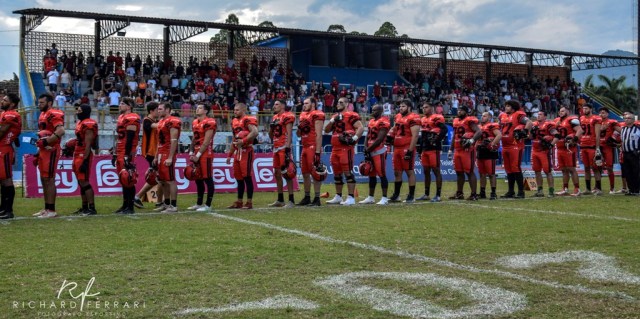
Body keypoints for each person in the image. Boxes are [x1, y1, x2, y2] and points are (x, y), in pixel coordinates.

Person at [324, 97, 364, 206]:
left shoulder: (351, 115)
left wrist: (354, 139)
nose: (338, 104)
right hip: (335, 148)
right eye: (338, 102)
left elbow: (360, 128)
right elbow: (326, 130)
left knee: (348, 173)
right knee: (337, 174)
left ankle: (351, 197)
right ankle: (338, 196)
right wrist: (333, 120)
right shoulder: (335, 116)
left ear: (347, 104)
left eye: (341, 102)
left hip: (346, 149)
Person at [33, 94, 65, 218]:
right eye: (39, 102)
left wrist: (47, 142)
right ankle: (47, 208)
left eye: (42, 102)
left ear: (50, 103)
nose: (39, 105)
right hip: (43, 150)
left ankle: (51, 210)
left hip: (51, 149)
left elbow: (61, 131)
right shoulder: (42, 114)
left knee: (49, 179)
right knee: (44, 179)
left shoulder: (54, 113)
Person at [227, 103, 259, 209]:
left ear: (243, 110)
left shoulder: (247, 119)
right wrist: (229, 154)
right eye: (234, 110)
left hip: (247, 150)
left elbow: (255, 132)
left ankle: (249, 202)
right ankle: (239, 201)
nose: (235, 112)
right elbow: (234, 139)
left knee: (247, 177)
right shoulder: (234, 121)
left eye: (237, 110)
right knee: (238, 177)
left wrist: (244, 140)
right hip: (238, 152)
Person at [388, 99, 421, 203]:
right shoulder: (398, 116)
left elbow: (415, 135)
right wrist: (390, 133)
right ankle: (396, 195)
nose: (401, 108)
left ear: (409, 107)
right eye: (400, 106)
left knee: (409, 171)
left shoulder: (414, 117)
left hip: (406, 147)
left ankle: (411, 195)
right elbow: (395, 127)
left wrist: (410, 151)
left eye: (403, 106)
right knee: (397, 172)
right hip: (397, 148)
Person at [187, 103, 217, 212]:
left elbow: (206, 141)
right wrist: (191, 151)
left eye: (200, 108)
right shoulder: (195, 122)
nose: (197, 109)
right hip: (197, 151)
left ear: (205, 111)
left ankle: (208, 205)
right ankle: (199, 203)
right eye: (197, 107)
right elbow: (194, 138)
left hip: (206, 153)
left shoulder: (210, 121)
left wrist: (198, 155)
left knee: (207, 178)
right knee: (198, 178)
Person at [499, 100, 532, 198]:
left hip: (515, 145)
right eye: (506, 106)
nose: (506, 108)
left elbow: (529, 122)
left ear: (513, 107)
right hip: (505, 145)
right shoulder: (502, 116)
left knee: (515, 167)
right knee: (508, 169)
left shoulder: (518, 115)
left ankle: (521, 192)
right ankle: (511, 191)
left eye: (508, 106)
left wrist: (525, 131)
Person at [113, 98, 141, 214]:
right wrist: (115, 153)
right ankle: (125, 205)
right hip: (120, 150)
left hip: (127, 151)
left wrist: (126, 155)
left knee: (128, 178)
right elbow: (119, 137)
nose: (120, 105)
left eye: (123, 103)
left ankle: (130, 206)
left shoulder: (133, 117)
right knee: (123, 178)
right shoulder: (121, 117)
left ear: (129, 106)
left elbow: (129, 138)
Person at [447, 105, 481, 200]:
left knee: (469, 172)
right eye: (458, 110)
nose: (459, 111)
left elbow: (479, 132)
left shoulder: (469, 120)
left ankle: (473, 194)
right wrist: (450, 149)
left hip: (467, 150)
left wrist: (471, 141)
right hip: (458, 150)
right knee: (459, 172)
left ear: (466, 112)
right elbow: (454, 136)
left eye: (461, 110)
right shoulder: (456, 121)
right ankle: (459, 193)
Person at [359, 104, 391, 205]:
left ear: (381, 111)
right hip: (370, 150)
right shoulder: (371, 121)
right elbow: (367, 136)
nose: (373, 111)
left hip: (379, 151)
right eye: (372, 109)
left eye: (375, 110)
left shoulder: (384, 121)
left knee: (381, 174)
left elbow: (380, 139)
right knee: (371, 175)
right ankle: (370, 197)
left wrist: (368, 149)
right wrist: (365, 148)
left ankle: (384, 198)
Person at [296, 97, 325, 206]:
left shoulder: (317, 114)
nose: (304, 105)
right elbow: (298, 134)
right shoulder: (302, 115)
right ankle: (307, 197)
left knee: (315, 173)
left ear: (313, 104)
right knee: (305, 173)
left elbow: (318, 134)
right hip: (304, 146)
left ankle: (317, 198)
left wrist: (317, 152)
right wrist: (299, 128)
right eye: (304, 103)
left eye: (306, 103)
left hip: (313, 146)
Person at [268, 99, 296, 208]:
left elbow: (289, 133)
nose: (274, 106)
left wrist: (288, 148)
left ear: (283, 106)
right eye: (274, 104)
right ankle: (280, 199)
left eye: (277, 104)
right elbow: (272, 136)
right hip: (276, 148)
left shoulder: (287, 116)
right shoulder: (274, 118)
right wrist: (271, 127)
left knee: (287, 173)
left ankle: (291, 200)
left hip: (284, 147)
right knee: (277, 173)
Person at [70, 104, 98, 215]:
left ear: (85, 112)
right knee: (80, 181)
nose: (77, 112)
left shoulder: (88, 124)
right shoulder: (80, 123)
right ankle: (84, 207)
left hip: (83, 155)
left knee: (84, 181)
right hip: (77, 153)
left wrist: (85, 161)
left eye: (80, 110)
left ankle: (92, 208)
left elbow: (88, 144)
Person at [417, 101, 447, 202]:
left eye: (426, 107)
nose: (424, 109)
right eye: (423, 107)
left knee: (436, 170)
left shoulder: (436, 117)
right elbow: (423, 136)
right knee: (426, 171)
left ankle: (438, 195)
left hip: (434, 149)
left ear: (431, 108)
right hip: (425, 148)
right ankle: (426, 194)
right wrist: (420, 150)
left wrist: (437, 140)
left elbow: (444, 130)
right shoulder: (423, 119)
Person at [134, 102, 162, 209]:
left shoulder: (155, 121)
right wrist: (167, 120)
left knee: (157, 178)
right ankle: (159, 201)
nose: (158, 112)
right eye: (157, 110)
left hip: (155, 152)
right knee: (160, 178)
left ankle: (138, 196)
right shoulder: (147, 121)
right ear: (151, 111)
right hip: (151, 153)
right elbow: (155, 126)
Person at [154, 102, 181, 213]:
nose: (158, 110)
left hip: (167, 153)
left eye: (160, 109)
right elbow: (159, 142)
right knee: (163, 181)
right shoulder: (161, 122)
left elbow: (174, 140)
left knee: (170, 180)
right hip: (161, 152)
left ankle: (173, 206)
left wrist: (170, 157)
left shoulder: (173, 121)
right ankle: (166, 203)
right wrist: (156, 156)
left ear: (167, 109)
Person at [0, 94, 22, 219]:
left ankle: (8, 210)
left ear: (12, 104)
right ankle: (3, 208)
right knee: (2, 180)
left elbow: (2, 132)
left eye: (5, 100)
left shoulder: (12, 114)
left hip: (5, 150)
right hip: (2, 149)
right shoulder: (4, 113)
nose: (2, 101)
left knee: (7, 179)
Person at [554, 106, 584, 196]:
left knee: (571, 169)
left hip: (568, 148)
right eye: (560, 111)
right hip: (560, 147)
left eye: (563, 111)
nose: (561, 112)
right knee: (563, 170)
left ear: (568, 111)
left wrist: (574, 139)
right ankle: (565, 189)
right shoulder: (557, 120)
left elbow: (580, 130)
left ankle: (577, 189)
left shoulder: (572, 119)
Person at [530, 111, 558, 197]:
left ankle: (551, 191)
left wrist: (551, 144)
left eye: (540, 114)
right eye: (537, 115)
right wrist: (531, 132)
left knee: (547, 171)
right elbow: (530, 137)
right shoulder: (534, 124)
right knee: (537, 171)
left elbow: (557, 135)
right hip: (534, 150)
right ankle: (540, 191)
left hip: (543, 151)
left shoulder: (548, 125)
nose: (538, 116)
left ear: (545, 116)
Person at [476, 112, 502, 200]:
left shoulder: (492, 125)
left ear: (489, 117)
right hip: (480, 150)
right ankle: (482, 192)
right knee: (482, 173)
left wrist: (492, 144)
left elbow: (499, 135)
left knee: (491, 173)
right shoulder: (479, 126)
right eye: (482, 116)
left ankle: (493, 192)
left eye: (484, 116)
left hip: (489, 151)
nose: (482, 117)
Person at [579, 103, 603, 195]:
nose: (584, 110)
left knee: (595, 168)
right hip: (583, 145)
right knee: (586, 168)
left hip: (592, 146)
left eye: (586, 108)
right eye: (583, 109)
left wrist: (597, 148)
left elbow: (597, 135)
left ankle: (598, 189)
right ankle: (588, 189)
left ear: (590, 109)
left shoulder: (596, 119)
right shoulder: (581, 118)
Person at [599, 108, 622, 193]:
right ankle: (597, 188)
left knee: (609, 167)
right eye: (600, 113)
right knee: (597, 168)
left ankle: (612, 188)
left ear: (607, 114)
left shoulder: (611, 122)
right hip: (598, 147)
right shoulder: (596, 122)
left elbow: (621, 131)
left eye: (604, 113)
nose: (602, 114)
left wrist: (616, 139)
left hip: (607, 147)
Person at [620, 113, 640, 195]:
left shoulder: (638, 129)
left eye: (629, 118)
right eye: (625, 118)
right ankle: (631, 190)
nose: (626, 119)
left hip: (634, 153)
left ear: (633, 120)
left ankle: (637, 190)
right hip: (625, 153)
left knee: (636, 172)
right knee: (627, 172)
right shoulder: (623, 129)